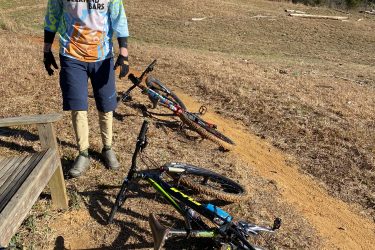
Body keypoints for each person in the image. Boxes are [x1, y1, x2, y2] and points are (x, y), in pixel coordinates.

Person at [43, 0, 129, 177]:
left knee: (106, 106)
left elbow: (119, 17)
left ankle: (108, 148)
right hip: (71, 55)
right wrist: (46, 49)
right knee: (78, 106)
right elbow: (52, 16)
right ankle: (83, 153)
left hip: (103, 55)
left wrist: (124, 53)